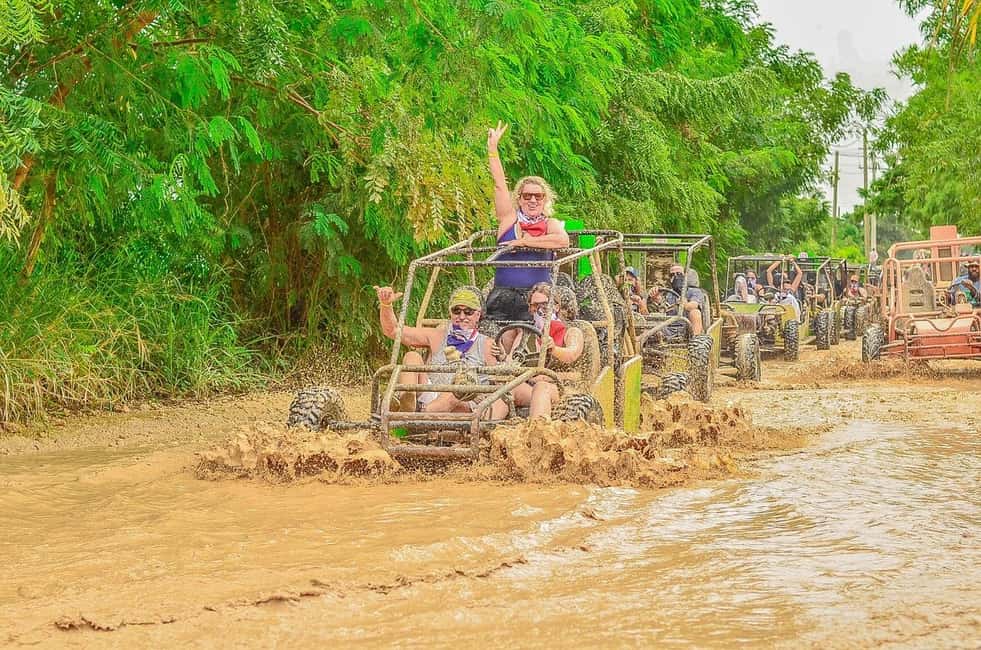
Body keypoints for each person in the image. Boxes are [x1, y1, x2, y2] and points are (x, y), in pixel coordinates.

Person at [374, 285, 508, 417]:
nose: (462, 316)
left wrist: (503, 358)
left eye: (468, 312)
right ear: (450, 313)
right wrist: (386, 305)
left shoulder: (486, 344)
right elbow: (394, 331)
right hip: (431, 393)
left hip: (462, 401)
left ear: (478, 315)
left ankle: (416, 418)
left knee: (458, 389)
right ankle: (406, 400)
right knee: (411, 356)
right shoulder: (437, 335)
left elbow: (496, 381)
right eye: (456, 311)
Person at [483, 122, 570, 322]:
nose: (532, 200)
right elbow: (499, 186)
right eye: (527, 196)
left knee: (529, 330)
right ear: (520, 198)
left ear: (544, 200)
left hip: (537, 298)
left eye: (538, 197)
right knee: (498, 335)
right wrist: (493, 150)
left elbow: (561, 241)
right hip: (504, 295)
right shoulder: (509, 219)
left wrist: (524, 242)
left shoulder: (550, 223)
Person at [503, 282, 585, 419]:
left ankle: (538, 434)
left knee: (542, 387)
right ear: (530, 309)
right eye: (535, 305)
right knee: (506, 389)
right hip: (531, 385)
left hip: (565, 389)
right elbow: (511, 363)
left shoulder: (571, 332)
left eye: (545, 304)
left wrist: (554, 349)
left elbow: (572, 354)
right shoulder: (525, 335)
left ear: (556, 307)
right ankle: (481, 432)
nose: (540, 309)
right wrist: (501, 355)